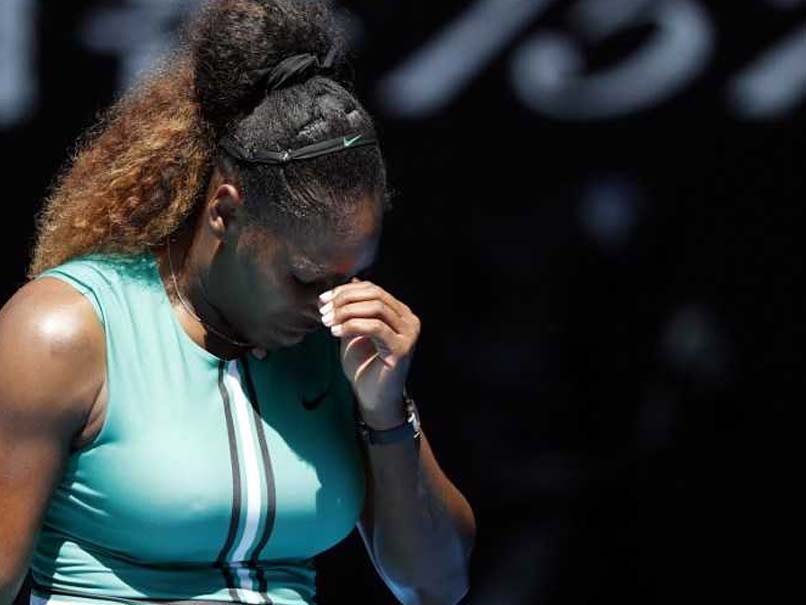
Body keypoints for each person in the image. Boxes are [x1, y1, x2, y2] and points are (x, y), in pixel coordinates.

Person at [0, 2, 476, 605]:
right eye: (304, 278)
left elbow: (435, 586)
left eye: (353, 276)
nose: (330, 306)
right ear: (224, 211)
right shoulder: (62, 331)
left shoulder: (343, 351)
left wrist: (386, 415)